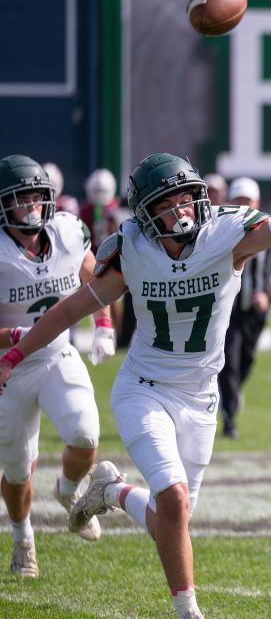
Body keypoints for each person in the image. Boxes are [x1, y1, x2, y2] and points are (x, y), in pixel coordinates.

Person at [0, 144, 271, 619]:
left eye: (186, 198)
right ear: (146, 213)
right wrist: (14, 354)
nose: (181, 209)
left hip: (202, 395)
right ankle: (188, 611)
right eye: (166, 204)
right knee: (172, 501)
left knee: (171, 519)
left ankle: (111, 493)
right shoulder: (132, 250)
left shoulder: (227, 235)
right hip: (144, 389)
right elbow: (70, 309)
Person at [0, 155, 116, 577]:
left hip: (56, 356)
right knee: (16, 469)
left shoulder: (67, 230)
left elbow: (93, 278)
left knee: (86, 435)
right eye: (20, 198)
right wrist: (19, 338)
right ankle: (22, 534)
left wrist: (103, 323)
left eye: (36, 195)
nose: (31, 206)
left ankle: (68, 493)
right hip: (7, 371)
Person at [216, 177, 271, 439]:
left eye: (247, 201)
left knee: (246, 360)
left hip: (255, 309)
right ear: (230, 201)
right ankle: (229, 418)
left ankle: (229, 395)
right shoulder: (218, 229)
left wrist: (269, 294)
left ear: (256, 202)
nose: (243, 206)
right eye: (238, 201)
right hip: (226, 308)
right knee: (228, 360)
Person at [80, 168, 121, 251]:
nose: (100, 195)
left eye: (103, 191)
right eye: (97, 191)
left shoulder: (118, 209)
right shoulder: (84, 210)